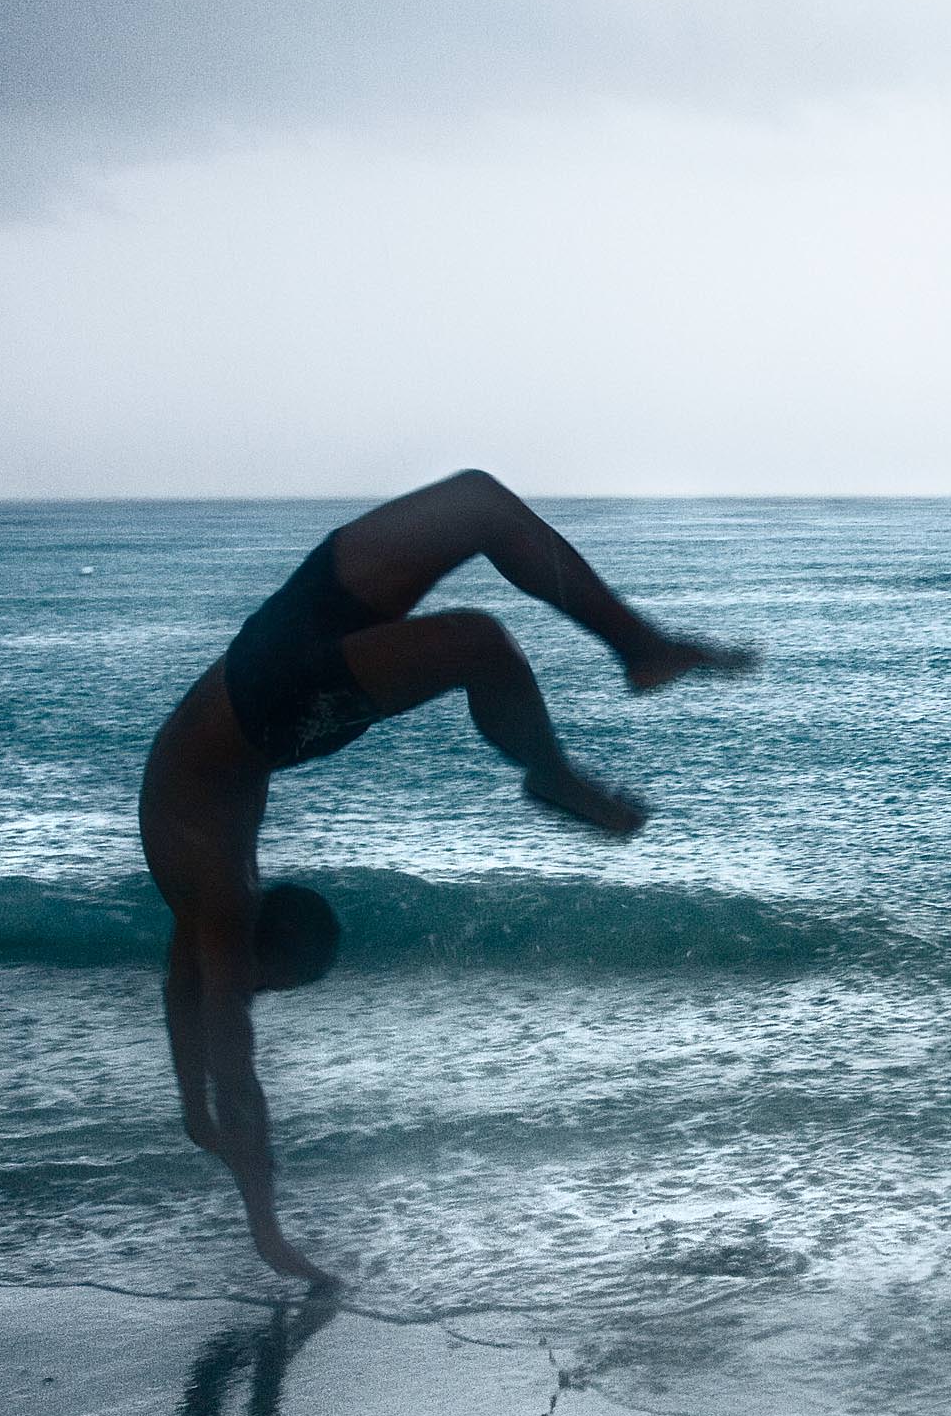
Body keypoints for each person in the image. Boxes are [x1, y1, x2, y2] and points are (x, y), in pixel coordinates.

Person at [139, 469, 753, 1285]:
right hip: (262, 662)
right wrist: (193, 1110)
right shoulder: (209, 881)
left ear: (265, 962)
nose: (253, 996)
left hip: (264, 692)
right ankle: (627, 667)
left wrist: (265, 1228)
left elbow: (227, 1051)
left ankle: (589, 725)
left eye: (262, 989)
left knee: (478, 586)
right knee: (477, 544)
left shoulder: (215, 895)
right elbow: (190, 993)